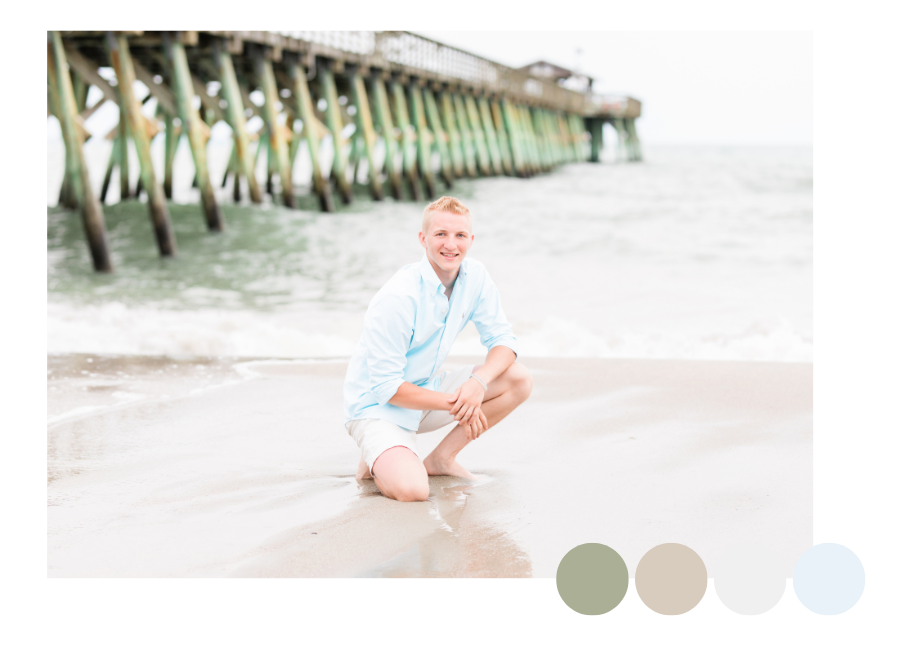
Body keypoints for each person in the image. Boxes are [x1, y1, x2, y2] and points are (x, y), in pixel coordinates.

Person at [343, 196, 533, 502]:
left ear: (471, 240)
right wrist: (457, 403)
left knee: (519, 379)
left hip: (424, 392)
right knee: (413, 491)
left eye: (459, 235)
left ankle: (440, 459)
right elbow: (384, 387)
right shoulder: (398, 297)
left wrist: (477, 384)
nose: (450, 245)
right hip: (377, 408)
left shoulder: (475, 277)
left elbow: (504, 341)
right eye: (440, 234)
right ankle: (377, 456)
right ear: (423, 239)